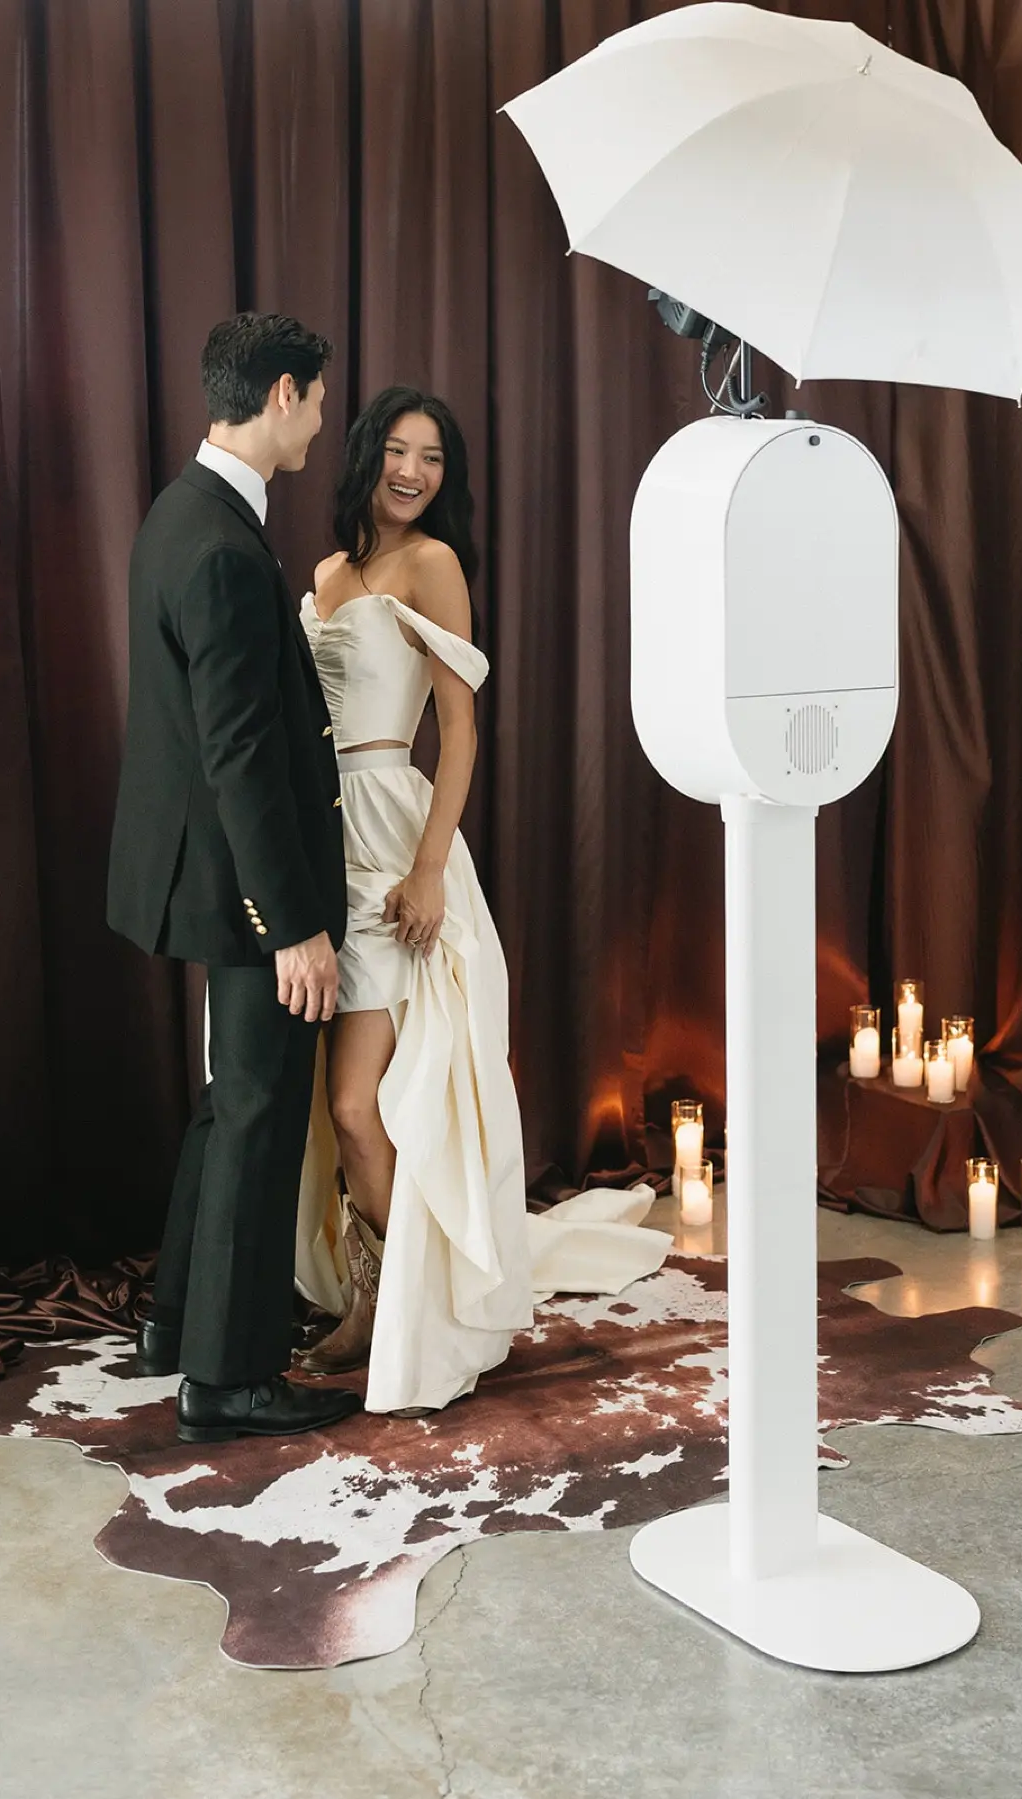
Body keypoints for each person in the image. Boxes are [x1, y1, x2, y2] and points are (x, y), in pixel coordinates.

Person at [291, 387, 669, 1415]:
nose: (414, 472)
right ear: (367, 453)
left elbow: (457, 731)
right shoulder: (329, 573)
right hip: (320, 841)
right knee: (335, 1112)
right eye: (399, 451)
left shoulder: (433, 565)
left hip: (394, 837)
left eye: (435, 459)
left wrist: (426, 867)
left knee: (362, 1103)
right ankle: (375, 1295)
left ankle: (412, 1307)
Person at [107, 313, 361, 1445]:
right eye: (315, 400)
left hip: (201, 874)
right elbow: (240, 751)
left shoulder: (183, 511)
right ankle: (230, 1377)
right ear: (284, 394)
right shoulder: (216, 543)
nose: (321, 421)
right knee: (258, 1115)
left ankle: (178, 1325)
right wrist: (292, 923)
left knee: (228, 1107)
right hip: (242, 885)